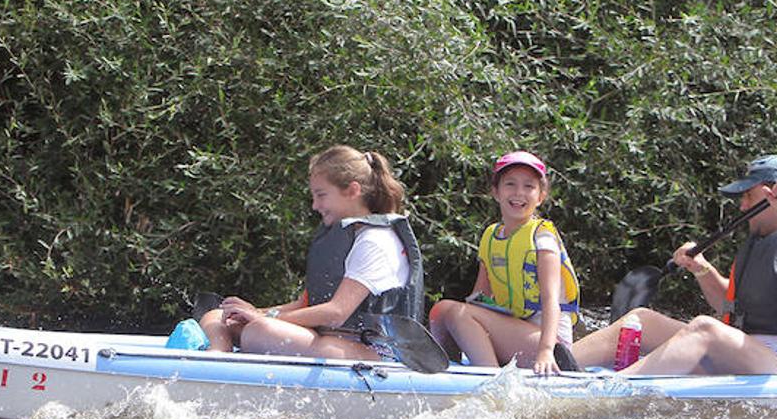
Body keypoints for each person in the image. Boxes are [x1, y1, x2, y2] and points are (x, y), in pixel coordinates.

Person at [572, 154, 777, 375]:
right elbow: (728, 305)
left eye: (749, 195)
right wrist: (701, 269)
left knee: (705, 330)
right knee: (642, 319)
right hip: (752, 355)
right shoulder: (759, 246)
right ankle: (550, 371)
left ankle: (614, 389)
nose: (743, 206)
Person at [196, 146, 424, 361]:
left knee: (259, 331)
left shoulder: (375, 241)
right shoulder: (348, 238)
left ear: (353, 190)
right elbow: (304, 304)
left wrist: (265, 318)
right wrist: (253, 311)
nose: (315, 205)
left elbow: (336, 313)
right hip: (334, 340)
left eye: (321, 195)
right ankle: (217, 355)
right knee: (218, 316)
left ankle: (220, 362)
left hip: (377, 352)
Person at [428, 151, 580, 375]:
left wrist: (546, 351)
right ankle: (446, 370)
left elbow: (551, 301)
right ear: (496, 192)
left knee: (458, 313)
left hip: (549, 344)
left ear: (540, 196)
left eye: (529, 186)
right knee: (441, 310)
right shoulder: (490, 236)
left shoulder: (542, 237)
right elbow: (479, 298)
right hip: (514, 334)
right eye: (510, 184)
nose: (519, 193)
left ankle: (491, 379)